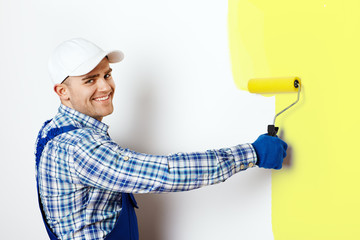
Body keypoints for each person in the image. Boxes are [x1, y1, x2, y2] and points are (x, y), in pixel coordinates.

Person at [35, 38, 288, 240]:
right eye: (90, 80)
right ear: (62, 92)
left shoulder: (52, 131)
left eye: (107, 74)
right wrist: (252, 153)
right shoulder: (80, 148)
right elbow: (168, 172)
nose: (105, 87)